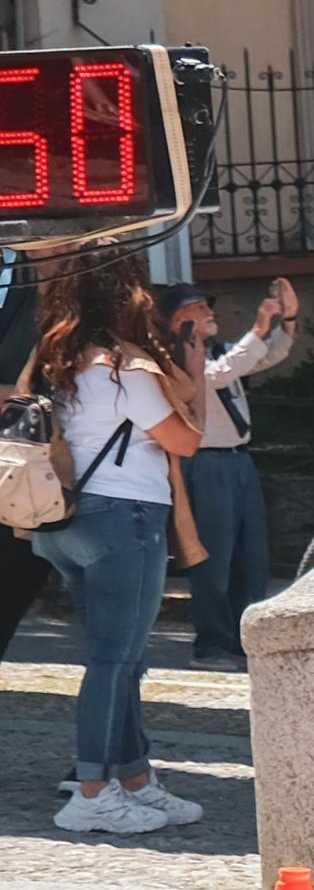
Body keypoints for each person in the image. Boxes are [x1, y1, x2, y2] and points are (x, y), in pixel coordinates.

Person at [41, 263, 199, 832]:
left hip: (66, 520)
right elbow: (187, 440)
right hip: (125, 518)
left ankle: (133, 776)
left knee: (120, 657)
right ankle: (90, 793)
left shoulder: (55, 366)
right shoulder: (125, 371)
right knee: (115, 660)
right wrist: (192, 369)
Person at [163, 279, 296, 669]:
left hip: (238, 460)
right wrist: (259, 326)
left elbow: (268, 355)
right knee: (214, 558)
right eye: (199, 307)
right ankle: (211, 645)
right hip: (207, 464)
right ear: (178, 318)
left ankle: (244, 639)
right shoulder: (178, 358)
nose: (209, 312)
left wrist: (287, 320)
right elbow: (217, 376)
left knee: (252, 556)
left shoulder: (219, 353)